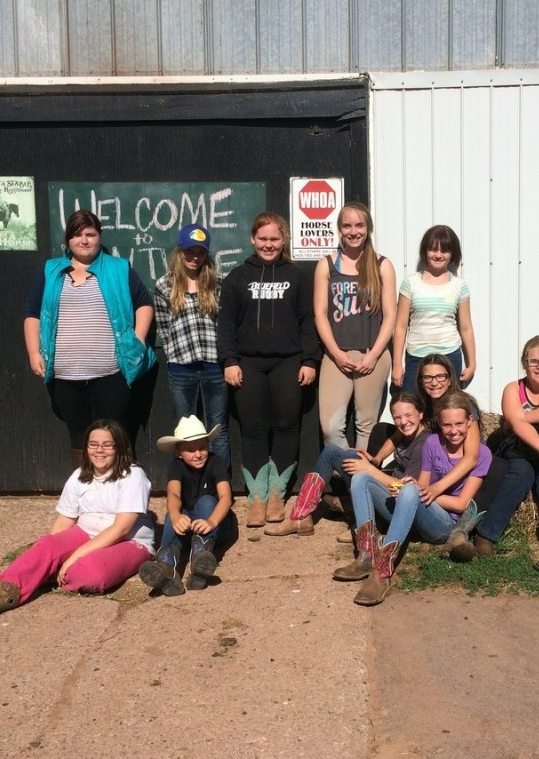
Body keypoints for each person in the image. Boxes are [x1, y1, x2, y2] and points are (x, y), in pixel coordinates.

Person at [0, 419, 154, 626]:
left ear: (119, 447)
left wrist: (72, 557)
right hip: (86, 533)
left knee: (89, 573)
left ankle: (59, 572)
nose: (99, 450)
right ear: (86, 447)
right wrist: (47, 552)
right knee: (46, 546)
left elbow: (121, 528)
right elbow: (65, 520)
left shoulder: (132, 475)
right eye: (93, 444)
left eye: (107, 445)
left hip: (130, 541)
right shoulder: (79, 476)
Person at [23, 210, 157, 465]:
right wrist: (33, 352)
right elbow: (32, 313)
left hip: (111, 373)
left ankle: (120, 493)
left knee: (112, 434)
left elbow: (144, 304)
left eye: (90, 234)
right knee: (79, 436)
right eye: (76, 235)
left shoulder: (119, 268)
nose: (83, 240)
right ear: (67, 240)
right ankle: (86, 493)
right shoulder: (51, 271)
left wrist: (137, 341)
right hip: (65, 376)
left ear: (99, 237)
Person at [217, 211, 320, 528]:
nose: (269, 244)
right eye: (263, 238)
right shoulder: (237, 277)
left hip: (288, 362)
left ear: (284, 239)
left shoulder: (298, 276)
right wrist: (230, 360)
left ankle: (278, 494)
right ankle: (257, 497)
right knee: (253, 428)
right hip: (248, 363)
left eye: (275, 238)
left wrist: (310, 360)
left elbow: (308, 321)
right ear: (252, 239)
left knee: (288, 424)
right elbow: (226, 325)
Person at [344, 391, 491, 606]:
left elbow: (461, 505)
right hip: (420, 509)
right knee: (361, 478)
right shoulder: (432, 443)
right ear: (439, 423)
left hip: (443, 523)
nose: (453, 431)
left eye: (459, 424)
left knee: (412, 492)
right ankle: (367, 555)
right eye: (447, 425)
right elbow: (421, 485)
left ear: (470, 421)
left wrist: (420, 493)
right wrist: (405, 489)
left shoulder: (483, 454)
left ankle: (383, 571)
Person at [464, 335, 539, 564]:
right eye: (534, 361)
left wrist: (518, 419)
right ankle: (486, 535)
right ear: (524, 363)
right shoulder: (513, 389)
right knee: (520, 474)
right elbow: (516, 427)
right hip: (519, 449)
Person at [269, 393, 430, 540]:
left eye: (408, 415)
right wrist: (375, 459)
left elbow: (406, 490)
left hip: (400, 505)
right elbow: (395, 438)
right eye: (397, 417)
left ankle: (366, 523)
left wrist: (369, 469)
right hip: (390, 487)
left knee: (361, 471)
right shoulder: (409, 429)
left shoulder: (424, 444)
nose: (403, 422)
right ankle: (300, 517)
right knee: (333, 452)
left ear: (421, 413)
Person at [314, 202, 396, 451]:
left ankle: (360, 485)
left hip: (373, 353)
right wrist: (336, 354)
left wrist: (373, 355)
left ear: (368, 227)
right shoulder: (326, 265)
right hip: (336, 353)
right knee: (330, 427)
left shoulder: (382, 265)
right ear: (339, 229)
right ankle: (350, 474)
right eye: (347, 225)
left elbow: (391, 316)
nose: (353, 231)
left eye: (359, 225)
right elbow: (320, 313)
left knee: (366, 425)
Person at [154, 223, 230, 467]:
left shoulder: (219, 282)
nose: (194, 257)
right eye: (189, 251)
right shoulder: (164, 285)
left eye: (200, 252)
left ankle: (220, 485)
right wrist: (173, 353)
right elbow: (163, 327)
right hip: (181, 366)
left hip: (214, 365)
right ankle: (187, 487)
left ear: (206, 253)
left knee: (218, 427)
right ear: (180, 251)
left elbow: (226, 323)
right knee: (184, 430)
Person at [139, 416, 232, 595]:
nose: (198, 454)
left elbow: (226, 497)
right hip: (190, 526)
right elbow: (173, 493)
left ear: (209, 446)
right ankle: (167, 568)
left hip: (216, 525)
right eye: (190, 450)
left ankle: (201, 558)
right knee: (172, 514)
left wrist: (211, 522)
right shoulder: (176, 466)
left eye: (202, 448)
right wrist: (175, 516)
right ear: (179, 453)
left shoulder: (216, 462)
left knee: (206, 501)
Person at [391, 225, 476, 392]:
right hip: (417, 356)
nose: (438, 255)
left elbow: (466, 327)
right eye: (433, 250)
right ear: (425, 252)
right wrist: (397, 365)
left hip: (450, 356)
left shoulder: (459, 285)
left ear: (453, 254)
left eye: (444, 250)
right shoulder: (411, 283)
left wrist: (472, 363)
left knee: (448, 410)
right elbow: (400, 327)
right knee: (412, 407)